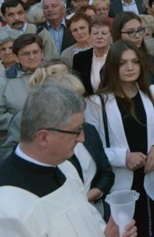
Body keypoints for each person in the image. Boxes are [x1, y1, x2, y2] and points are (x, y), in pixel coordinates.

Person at [0, 83, 137, 236]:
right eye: (77, 131)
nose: (82, 139)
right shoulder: (9, 210)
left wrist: (105, 234)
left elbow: (86, 215)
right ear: (43, 137)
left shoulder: (65, 166)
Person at [85, 40, 154, 236]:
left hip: (150, 179)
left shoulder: (151, 93)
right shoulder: (98, 103)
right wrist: (125, 157)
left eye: (135, 61)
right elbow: (92, 150)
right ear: (113, 67)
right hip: (120, 185)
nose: (130, 67)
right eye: (123, 63)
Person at [0, 34, 45, 145]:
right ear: (16, 57)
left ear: (42, 53)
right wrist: (23, 121)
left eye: (35, 52)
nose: (32, 57)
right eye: (26, 54)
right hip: (19, 141)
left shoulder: (54, 75)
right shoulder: (4, 81)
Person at [73, 16, 113, 95]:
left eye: (104, 33)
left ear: (111, 36)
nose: (99, 37)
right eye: (95, 33)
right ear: (90, 36)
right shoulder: (79, 58)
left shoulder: (118, 56)